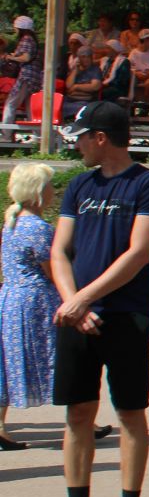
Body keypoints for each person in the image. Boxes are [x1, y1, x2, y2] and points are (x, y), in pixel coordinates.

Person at [36, 102, 149, 497]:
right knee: (78, 413)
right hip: (77, 315)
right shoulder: (79, 185)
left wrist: (83, 298)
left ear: (100, 137)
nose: (75, 145)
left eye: (80, 137)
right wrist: (73, 302)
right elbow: (60, 252)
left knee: (130, 412)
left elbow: (137, 255)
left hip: (126, 314)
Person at [0, 162, 58, 450]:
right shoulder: (39, 228)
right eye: (48, 186)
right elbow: (53, 270)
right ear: (37, 192)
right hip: (34, 301)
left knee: (7, 362)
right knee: (55, 356)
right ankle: (82, 416)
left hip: (10, 298)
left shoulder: (12, 222)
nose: (53, 191)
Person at [2, 16, 40, 128]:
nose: (15, 31)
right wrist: (15, 55)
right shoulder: (32, 39)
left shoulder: (26, 39)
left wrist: (10, 58)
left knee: (11, 103)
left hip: (26, 76)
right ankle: (38, 136)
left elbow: (26, 58)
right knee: (30, 108)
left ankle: (6, 134)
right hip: (34, 77)